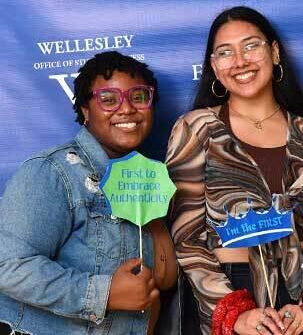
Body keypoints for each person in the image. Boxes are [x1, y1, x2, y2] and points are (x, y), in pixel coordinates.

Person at [167, 7, 303, 335]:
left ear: (275, 52)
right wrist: (235, 313)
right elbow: (187, 238)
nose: (239, 60)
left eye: (251, 46)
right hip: (232, 293)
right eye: (225, 52)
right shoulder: (195, 128)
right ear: (213, 66)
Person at [0, 52, 177, 335]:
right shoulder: (53, 172)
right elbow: (8, 265)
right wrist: (103, 294)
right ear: (85, 110)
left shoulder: (153, 180)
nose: (127, 109)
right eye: (108, 99)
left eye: (139, 97)